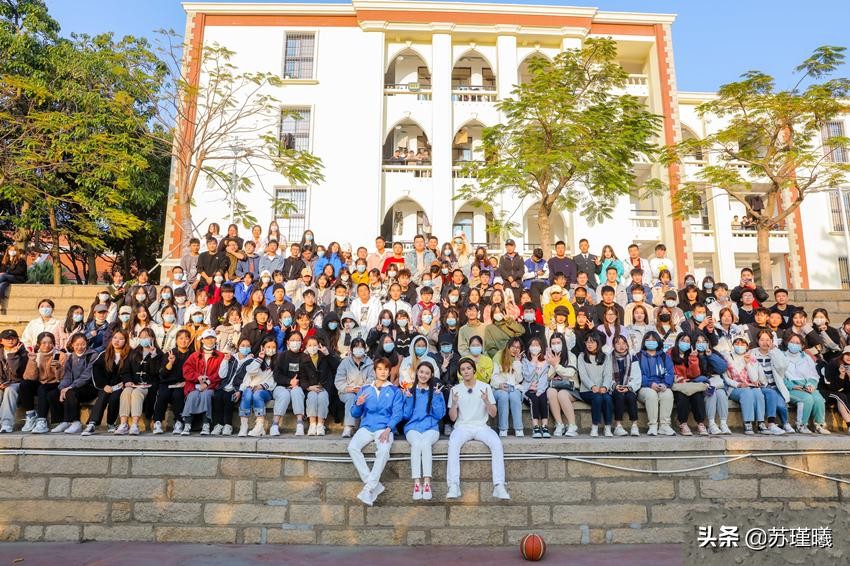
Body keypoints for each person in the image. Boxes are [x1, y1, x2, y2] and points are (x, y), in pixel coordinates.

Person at [446, 357, 509, 500]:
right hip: (462, 427)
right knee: (453, 443)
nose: (466, 371)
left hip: (481, 427)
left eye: (469, 368)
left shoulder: (485, 387)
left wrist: (486, 400)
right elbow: (453, 418)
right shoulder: (455, 390)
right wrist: (454, 403)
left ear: (474, 370)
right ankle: (453, 485)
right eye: (463, 369)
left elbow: (493, 413)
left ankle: (499, 485)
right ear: (460, 372)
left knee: (496, 443)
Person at [348, 357, 403, 506]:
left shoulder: (395, 391)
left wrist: (389, 429)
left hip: (384, 428)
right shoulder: (365, 389)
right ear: (374, 371)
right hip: (366, 427)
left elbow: (398, 413)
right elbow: (354, 413)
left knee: (384, 450)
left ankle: (368, 488)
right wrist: (358, 404)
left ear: (389, 371)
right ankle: (373, 484)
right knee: (352, 447)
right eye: (379, 369)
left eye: (386, 369)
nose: (383, 372)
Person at [402, 361, 447, 501]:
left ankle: (427, 482)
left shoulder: (435, 392)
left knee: (426, 443)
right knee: (416, 444)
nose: (423, 375)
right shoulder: (410, 391)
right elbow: (406, 415)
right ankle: (417, 483)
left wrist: (437, 397)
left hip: (431, 427)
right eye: (421, 372)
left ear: (431, 375)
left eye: (427, 373)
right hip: (413, 427)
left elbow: (439, 415)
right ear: (417, 373)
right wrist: (408, 399)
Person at [81, 330, 131, 435]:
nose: (117, 341)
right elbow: (96, 372)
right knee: (103, 395)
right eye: (115, 338)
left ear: (126, 341)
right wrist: (104, 385)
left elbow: (131, 371)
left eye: (121, 339)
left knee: (115, 397)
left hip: (121, 386)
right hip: (106, 386)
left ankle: (111, 423)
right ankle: (92, 423)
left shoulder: (130, 355)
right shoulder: (104, 354)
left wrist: (125, 382)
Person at [48, 333, 98, 434]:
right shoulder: (70, 358)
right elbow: (67, 376)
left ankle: (76, 422)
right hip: (74, 387)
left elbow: (86, 376)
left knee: (70, 392)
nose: (80, 347)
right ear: (72, 345)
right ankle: (63, 421)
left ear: (86, 344)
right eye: (77, 345)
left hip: (89, 387)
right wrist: (62, 388)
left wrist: (70, 387)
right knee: (53, 394)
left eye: (83, 344)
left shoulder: (93, 355)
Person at [115, 327, 160, 435]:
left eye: (146, 337)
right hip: (134, 384)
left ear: (152, 338)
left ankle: (135, 424)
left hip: (148, 386)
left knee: (136, 393)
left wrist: (153, 356)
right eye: (141, 337)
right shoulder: (133, 353)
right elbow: (125, 371)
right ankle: (124, 424)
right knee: (126, 391)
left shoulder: (159, 354)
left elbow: (156, 373)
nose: (144, 339)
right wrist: (127, 381)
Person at [722, 336, 772, 435]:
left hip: (750, 386)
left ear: (747, 346)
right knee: (747, 392)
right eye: (737, 343)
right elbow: (726, 378)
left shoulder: (752, 358)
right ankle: (748, 422)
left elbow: (754, 379)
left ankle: (760, 422)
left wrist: (747, 364)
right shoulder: (727, 358)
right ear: (733, 345)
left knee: (758, 392)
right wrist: (738, 384)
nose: (739, 346)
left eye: (742, 344)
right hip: (734, 388)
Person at [750, 329, 794, 434]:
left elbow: (782, 368)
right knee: (771, 394)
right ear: (757, 341)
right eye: (762, 340)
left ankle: (785, 423)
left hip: (776, 386)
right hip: (761, 386)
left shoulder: (777, 352)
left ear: (772, 341)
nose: (765, 343)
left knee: (781, 405)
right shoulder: (752, 353)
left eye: (767, 340)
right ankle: (771, 424)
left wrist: (773, 351)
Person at [783, 334, 829, 434]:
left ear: (802, 345)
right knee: (806, 399)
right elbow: (778, 376)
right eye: (792, 342)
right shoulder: (782, 356)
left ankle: (819, 425)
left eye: (797, 343)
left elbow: (813, 374)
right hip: (790, 387)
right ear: (787, 343)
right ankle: (801, 425)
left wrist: (811, 385)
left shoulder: (806, 357)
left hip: (806, 386)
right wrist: (791, 386)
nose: (794, 344)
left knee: (818, 398)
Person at [20, 332, 66, 433]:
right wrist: (32, 362)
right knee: (24, 384)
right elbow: (29, 377)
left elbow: (61, 378)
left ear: (53, 344)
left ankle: (42, 420)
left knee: (43, 388)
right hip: (41, 382)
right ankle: (31, 415)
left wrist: (57, 368)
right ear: (38, 344)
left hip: (56, 383)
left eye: (50, 343)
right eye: (44, 343)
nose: (47, 345)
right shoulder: (36, 355)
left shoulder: (59, 355)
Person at [181, 329, 224, 435]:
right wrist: (198, 377)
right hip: (194, 385)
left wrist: (207, 383)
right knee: (192, 396)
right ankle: (187, 424)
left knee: (206, 395)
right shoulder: (194, 355)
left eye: (212, 338)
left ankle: (206, 424)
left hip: (211, 386)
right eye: (207, 338)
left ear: (215, 340)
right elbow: (187, 371)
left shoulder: (220, 356)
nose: (210, 340)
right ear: (202, 340)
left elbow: (220, 374)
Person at [635, 331, 676, 436]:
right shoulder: (638, 356)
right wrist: (650, 384)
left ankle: (664, 425)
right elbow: (637, 375)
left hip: (661, 385)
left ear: (658, 342)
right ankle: (653, 425)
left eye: (653, 340)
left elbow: (670, 372)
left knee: (667, 394)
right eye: (648, 340)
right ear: (644, 342)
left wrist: (665, 384)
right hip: (644, 387)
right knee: (651, 394)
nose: (651, 342)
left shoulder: (664, 356)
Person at [152, 329, 192, 435]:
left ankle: (179, 422)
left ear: (190, 340)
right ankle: (157, 422)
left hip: (183, 384)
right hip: (167, 383)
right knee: (162, 395)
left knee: (178, 395)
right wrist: (170, 363)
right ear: (176, 340)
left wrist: (186, 382)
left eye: (186, 338)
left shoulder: (193, 354)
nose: (183, 341)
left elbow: (194, 372)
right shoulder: (170, 353)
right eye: (181, 338)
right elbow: (163, 374)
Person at [212, 338, 254, 436]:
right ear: (238, 346)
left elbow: (247, 380)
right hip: (224, 385)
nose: (245, 348)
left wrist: (240, 391)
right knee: (217, 396)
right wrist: (225, 361)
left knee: (228, 397)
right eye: (243, 345)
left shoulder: (251, 361)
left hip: (236, 388)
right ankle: (219, 424)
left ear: (251, 348)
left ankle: (228, 425)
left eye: (248, 346)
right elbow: (222, 375)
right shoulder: (231, 358)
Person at [335, 338, 376, 437]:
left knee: (366, 399)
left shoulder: (370, 363)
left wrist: (362, 388)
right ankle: (348, 427)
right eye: (356, 347)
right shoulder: (345, 362)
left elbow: (372, 379)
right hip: (346, 391)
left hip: (364, 391)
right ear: (351, 349)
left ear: (365, 349)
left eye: (361, 347)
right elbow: (339, 380)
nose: (358, 349)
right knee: (351, 397)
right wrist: (348, 388)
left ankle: (364, 427)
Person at [237, 336, 277, 437]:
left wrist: (262, 386)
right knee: (247, 394)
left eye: (273, 347)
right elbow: (250, 372)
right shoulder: (256, 360)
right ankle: (244, 425)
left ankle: (260, 425)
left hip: (266, 390)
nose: (271, 349)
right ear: (262, 347)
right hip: (252, 387)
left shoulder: (277, 362)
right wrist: (260, 358)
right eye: (268, 347)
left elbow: (274, 380)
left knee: (257, 394)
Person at [577, 331, 614, 436]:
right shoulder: (581, 356)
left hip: (602, 389)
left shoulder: (606, 357)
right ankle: (594, 426)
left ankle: (608, 427)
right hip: (587, 390)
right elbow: (583, 375)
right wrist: (592, 386)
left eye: (592, 342)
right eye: (587, 342)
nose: (589, 344)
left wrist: (605, 387)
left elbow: (608, 375)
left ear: (598, 343)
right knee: (597, 398)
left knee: (607, 399)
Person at [546, 333, 580, 436]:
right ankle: (559, 424)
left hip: (571, 388)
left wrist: (556, 365)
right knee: (550, 392)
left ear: (563, 343)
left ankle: (572, 425)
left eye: (558, 343)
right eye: (553, 343)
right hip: (555, 386)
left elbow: (570, 373)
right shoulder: (550, 357)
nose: (556, 345)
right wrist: (553, 363)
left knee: (562, 394)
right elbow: (548, 376)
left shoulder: (571, 356)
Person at [491, 338, 525, 437]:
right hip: (498, 388)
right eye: (513, 346)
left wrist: (517, 362)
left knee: (514, 396)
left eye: (518, 347)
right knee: (504, 395)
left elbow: (519, 379)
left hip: (514, 388)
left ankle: (518, 428)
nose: (515, 349)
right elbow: (493, 377)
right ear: (508, 346)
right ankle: (503, 428)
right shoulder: (499, 355)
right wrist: (499, 385)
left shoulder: (520, 359)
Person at [300, 335, 332, 435]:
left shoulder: (324, 356)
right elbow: (301, 377)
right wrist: (308, 387)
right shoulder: (303, 359)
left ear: (319, 345)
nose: (312, 347)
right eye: (309, 345)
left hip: (324, 387)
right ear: (306, 347)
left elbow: (336, 366)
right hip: (310, 388)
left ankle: (321, 424)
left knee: (323, 397)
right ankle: (312, 424)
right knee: (312, 397)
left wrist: (328, 355)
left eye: (314, 345)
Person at [609, 334, 640, 436]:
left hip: (629, 386)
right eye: (618, 343)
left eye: (623, 343)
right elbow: (606, 376)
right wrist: (614, 385)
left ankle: (634, 425)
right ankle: (618, 426)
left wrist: (629, 387)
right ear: (613, 345)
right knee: (619, 395)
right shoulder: (609, 358)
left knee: (631, 396)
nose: (621, 346)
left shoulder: (632, 357)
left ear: (627, 345)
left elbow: (637, 376)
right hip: (615, 388)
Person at [0, 329, 27, 432]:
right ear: (1, 341)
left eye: (13, 338)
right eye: (7, 338)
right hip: (3, 383)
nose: (10, 340)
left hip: (18, 383)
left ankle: (6, 424)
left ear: (17, 339)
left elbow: (18, 374)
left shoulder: (23, 353)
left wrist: (12, 356)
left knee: (10, 389)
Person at [820, 346, 850, 433]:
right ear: (842, 355)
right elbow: (832, 387)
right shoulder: (833, 364)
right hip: (826, 390)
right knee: (840, 396)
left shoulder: (848, 366)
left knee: (844, 395)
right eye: (847, 354)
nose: (849, 357)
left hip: (840, 392)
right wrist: (841, 375)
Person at [0, 245, 27, 312]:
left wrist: (7, 272)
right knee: (1, 285)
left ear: (16, 251)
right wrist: (3, 272)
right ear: (8, 251)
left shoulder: (20, 260)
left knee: (3, 276)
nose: (12, 252)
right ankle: (1, 304)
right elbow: (2, 270)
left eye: (14, 250)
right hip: (7, 279)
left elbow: (20, 271)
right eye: (10, 250)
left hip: (18, 278)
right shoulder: (5, 260)